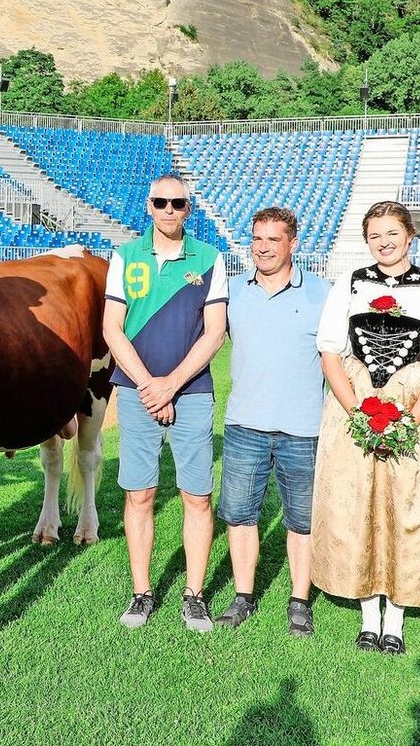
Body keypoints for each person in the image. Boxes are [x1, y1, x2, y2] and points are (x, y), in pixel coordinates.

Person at [312, 200, 420, 655]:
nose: (383, 242)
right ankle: (367, 617)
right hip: (355, 406)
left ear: (409, 236)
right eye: (375, 235)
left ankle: (395, 619)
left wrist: (406, 422)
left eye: (392, 233)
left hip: (412, 407)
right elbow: (330, 355)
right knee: (355, 503)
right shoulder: (350, 283)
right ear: (367, 240)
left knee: (407, 505)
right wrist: (359, 412)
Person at [103, 174, 227, 632]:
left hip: (190, 392)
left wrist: (170, 385)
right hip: (136, 393)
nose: (170, 210)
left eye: (178, 203)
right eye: (161, 202)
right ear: (149, 207)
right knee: (140, 493)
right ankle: (141, 592)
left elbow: (215, 333)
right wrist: (149, 386)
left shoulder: (210, 259)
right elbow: (112, 329)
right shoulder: (126, 256)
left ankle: (194, 595)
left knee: (196, 495)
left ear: (188, 209)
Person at [216, 207, 331, 636]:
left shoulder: (322, 294)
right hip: (245, 425)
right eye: (257, 239)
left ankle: (299, 601)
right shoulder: (232, 293)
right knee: (240, 516)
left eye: (273, 240)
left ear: (292, 243)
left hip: (304, 429)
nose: (263, 248)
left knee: (302, 520)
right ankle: (243, 597)